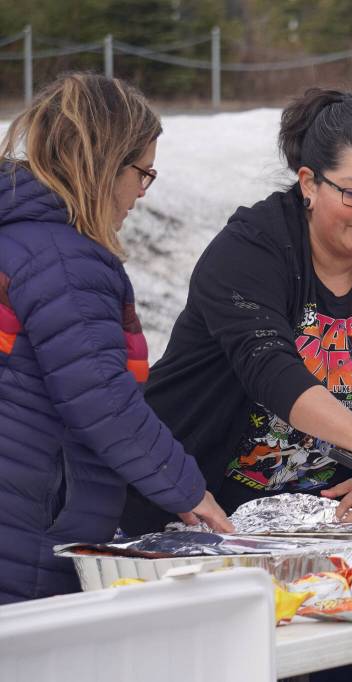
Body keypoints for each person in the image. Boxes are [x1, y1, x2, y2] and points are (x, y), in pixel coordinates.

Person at [119, 84, 352, 533]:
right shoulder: (250, 251)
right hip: (190, 510)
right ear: (309, 183)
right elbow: (270, 369)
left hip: (310, 525)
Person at [0, 73, 233, 605]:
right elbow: (103, 399)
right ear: (104, 163)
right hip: (29, 522)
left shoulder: (16, 238)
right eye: (141, 172)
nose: (141, 193)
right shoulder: (63, 260)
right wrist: (188, 491)